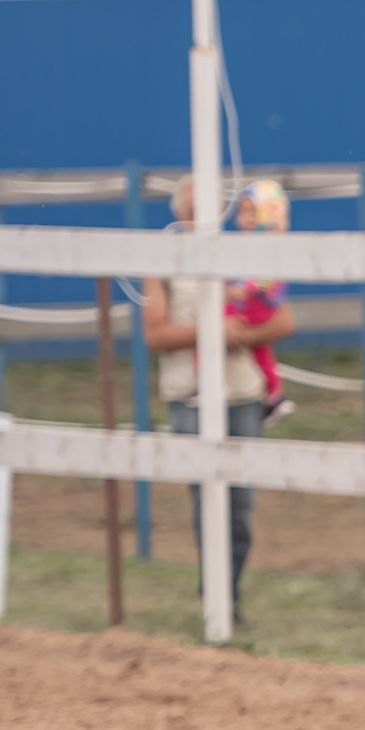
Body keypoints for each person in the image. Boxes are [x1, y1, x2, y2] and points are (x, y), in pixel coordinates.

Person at [143, 178, 293, 623]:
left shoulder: (243, 254)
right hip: (187, 394)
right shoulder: (162, 261)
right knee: (205, 497)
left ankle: (229, 594)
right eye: (193, 200)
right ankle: (217, 597)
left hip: (242, 391)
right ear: (179, 208)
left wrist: (241, 335)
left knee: (240, 503)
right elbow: (156, 333)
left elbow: (282, 318)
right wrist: (209, 333)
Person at [231, 181, 295, 428]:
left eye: (252, 212)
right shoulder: (248, 246)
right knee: (262, 353)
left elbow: (262, 280)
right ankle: (273, 395)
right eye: (242, 211)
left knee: (257, 349)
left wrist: (239, 291)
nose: (246, 218)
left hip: (256, 307)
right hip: (253, 305)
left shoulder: (267, 248)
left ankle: (273, 394)